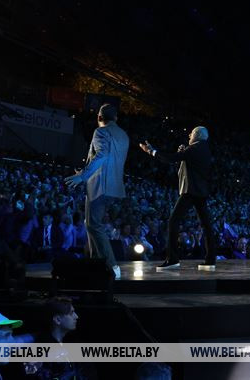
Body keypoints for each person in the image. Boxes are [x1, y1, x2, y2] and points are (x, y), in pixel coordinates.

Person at [140, 127, 217, 271]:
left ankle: (173, 259)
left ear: (197, 135)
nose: (189, 135)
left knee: (173, 221)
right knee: (206, 225)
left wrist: (152, 151)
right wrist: (183, 152)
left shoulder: (195, 148)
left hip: (190, 191)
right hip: (200, 191)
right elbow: (187, 164)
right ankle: (210, 260)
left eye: (192, 133)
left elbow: (170, 158)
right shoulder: (203, 148)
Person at [66, 104, 129, 279]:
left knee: (93, 225)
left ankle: (112, 266)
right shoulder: (123, 134)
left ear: (99, 118)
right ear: (116, 118)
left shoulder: (101, 131)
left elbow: (102, 155)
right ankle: (96, 264)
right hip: (115, 186)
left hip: (100, 185)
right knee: (91, 224)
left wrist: (83, 176)